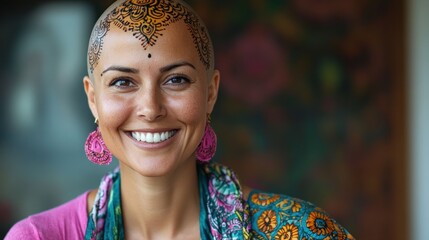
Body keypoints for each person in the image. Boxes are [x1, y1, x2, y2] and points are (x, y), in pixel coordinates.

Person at [5, 0, 354, 239]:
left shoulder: (297, 231)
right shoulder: (38, 236)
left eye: (176, 80)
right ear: (93, 99)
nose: (151, 108)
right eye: (123, 82)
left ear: (211, 93)